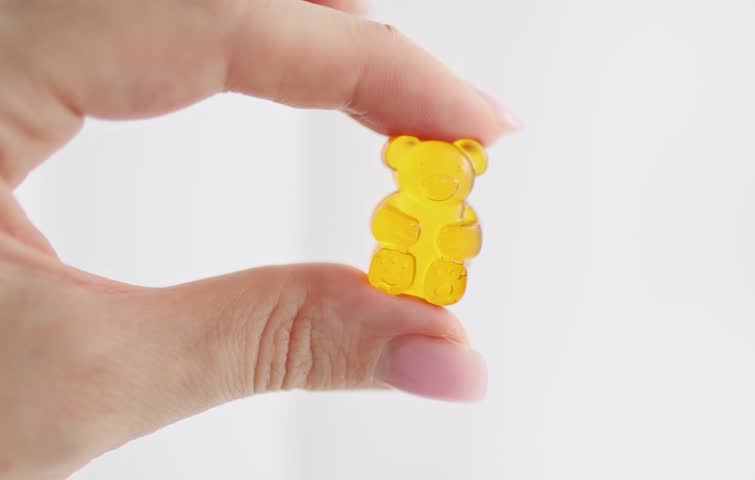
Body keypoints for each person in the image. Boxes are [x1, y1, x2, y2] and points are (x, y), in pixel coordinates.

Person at [0, 1, 519, 478]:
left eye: (448, 176)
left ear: (466, 168)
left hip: (437, 259)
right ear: (403, 155)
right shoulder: (404, 203)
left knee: (436, 265)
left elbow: (462, 241)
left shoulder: (453, 213)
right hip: (402, 257)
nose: (438, 182)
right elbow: (390, 226)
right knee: (400, 258)